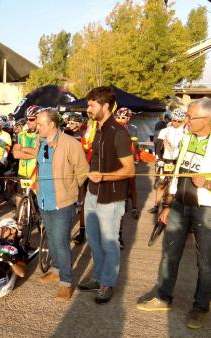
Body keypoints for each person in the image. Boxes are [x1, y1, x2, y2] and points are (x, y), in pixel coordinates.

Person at [136, 98, 211, 330]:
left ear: (207, 119)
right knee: (169, 253)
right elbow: (177, 172)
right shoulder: (187, 137)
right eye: (186, 116)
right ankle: (163, 296)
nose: (185, 121)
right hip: (179, 204)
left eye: (190, 117)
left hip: (206, 209)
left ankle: (200, 308)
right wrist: (167, 204)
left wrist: (208, 183)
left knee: (206, 261)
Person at [16, 108, 89, 301]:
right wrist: (38, 183)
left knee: (61, 242)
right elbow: (39, 163)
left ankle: (66, 282)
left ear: (52, 125)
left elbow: (82, 173)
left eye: (40, 124)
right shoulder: (41, 142)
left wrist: (75, 197)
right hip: (43, 200)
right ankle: (56, 269)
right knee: (50, 237)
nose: (36, 126)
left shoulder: (71, 144)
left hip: (63, 202)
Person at [77, 86, 135, 304]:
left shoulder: (119, 133)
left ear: (106, 106)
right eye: (88, 104)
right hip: (93, 194)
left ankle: (107, 283)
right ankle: (98, 277)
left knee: (109, 242)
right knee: (93, 240)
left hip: (111, 197)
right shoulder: (97, 129)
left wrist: (104, 177)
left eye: (92, 105)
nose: (88, 109)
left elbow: (129, 170)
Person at [148, 108, 186, 214]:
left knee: (175, 184)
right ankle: (156, 205)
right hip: (165, 159)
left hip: (177, 161)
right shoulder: (165, 130)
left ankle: (169, 207)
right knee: (161, 183)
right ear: (171, 119)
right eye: (174, 120)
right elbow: (158, 145)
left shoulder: (185, 132)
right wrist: (159, 159)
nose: (176, 123)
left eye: (179, 121)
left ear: (183, 121)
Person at [12, 105, 40, 217]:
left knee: (38, 202)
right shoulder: (21, 135)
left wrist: (23, 150)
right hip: (22, 172)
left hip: (37, 173)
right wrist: (33, 153)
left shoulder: (42, 135)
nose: (28, 122)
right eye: (27, 119)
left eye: (31, 119)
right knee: (19, 198)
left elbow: (39, 153)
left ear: (38, 119)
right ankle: (20, 224)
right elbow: (16, 154)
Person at [114, 107, 140, 222]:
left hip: (129, 157)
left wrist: (136, 158)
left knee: (132, 184)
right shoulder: (113, 128)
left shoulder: (132, 128)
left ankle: (134, 207)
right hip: (117, 158)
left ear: (128, 118)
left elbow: (134, 144)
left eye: (123, 117)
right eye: (118, 117)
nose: (120, 119)